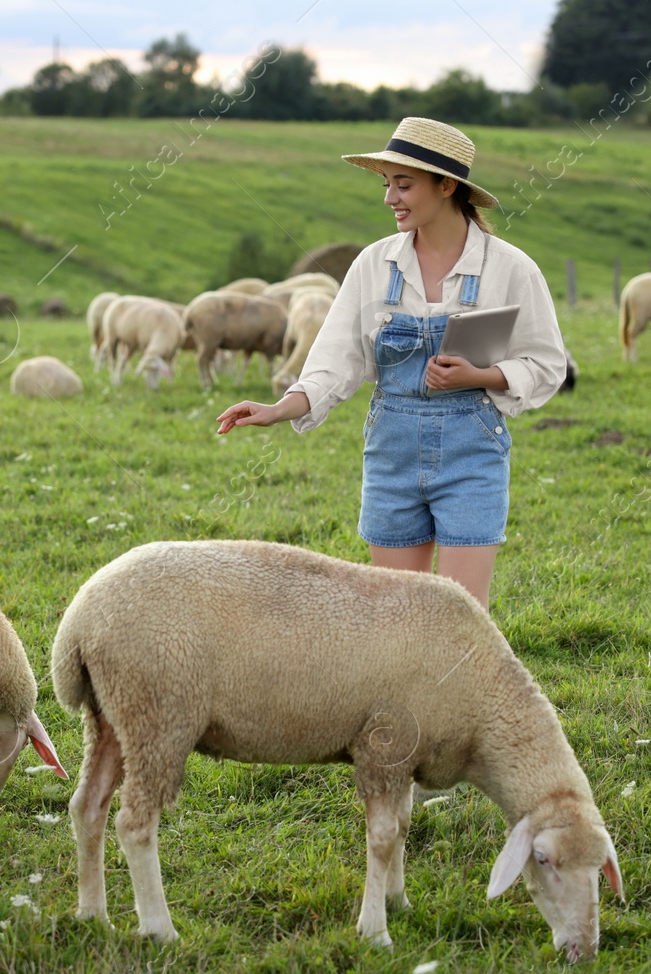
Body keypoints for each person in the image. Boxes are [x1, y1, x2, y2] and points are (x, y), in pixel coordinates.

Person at [216, 117, 570, 609]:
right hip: (391, 454)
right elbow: (338, 358)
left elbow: (547, 363)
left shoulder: (510, 268)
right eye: (387, 184)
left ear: (447, 185)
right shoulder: (373, 264)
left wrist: (482, 376)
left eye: (403, 185)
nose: (390, 198)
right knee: (394, 618)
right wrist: (282, 407)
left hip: (473, 456)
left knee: (461, 619)